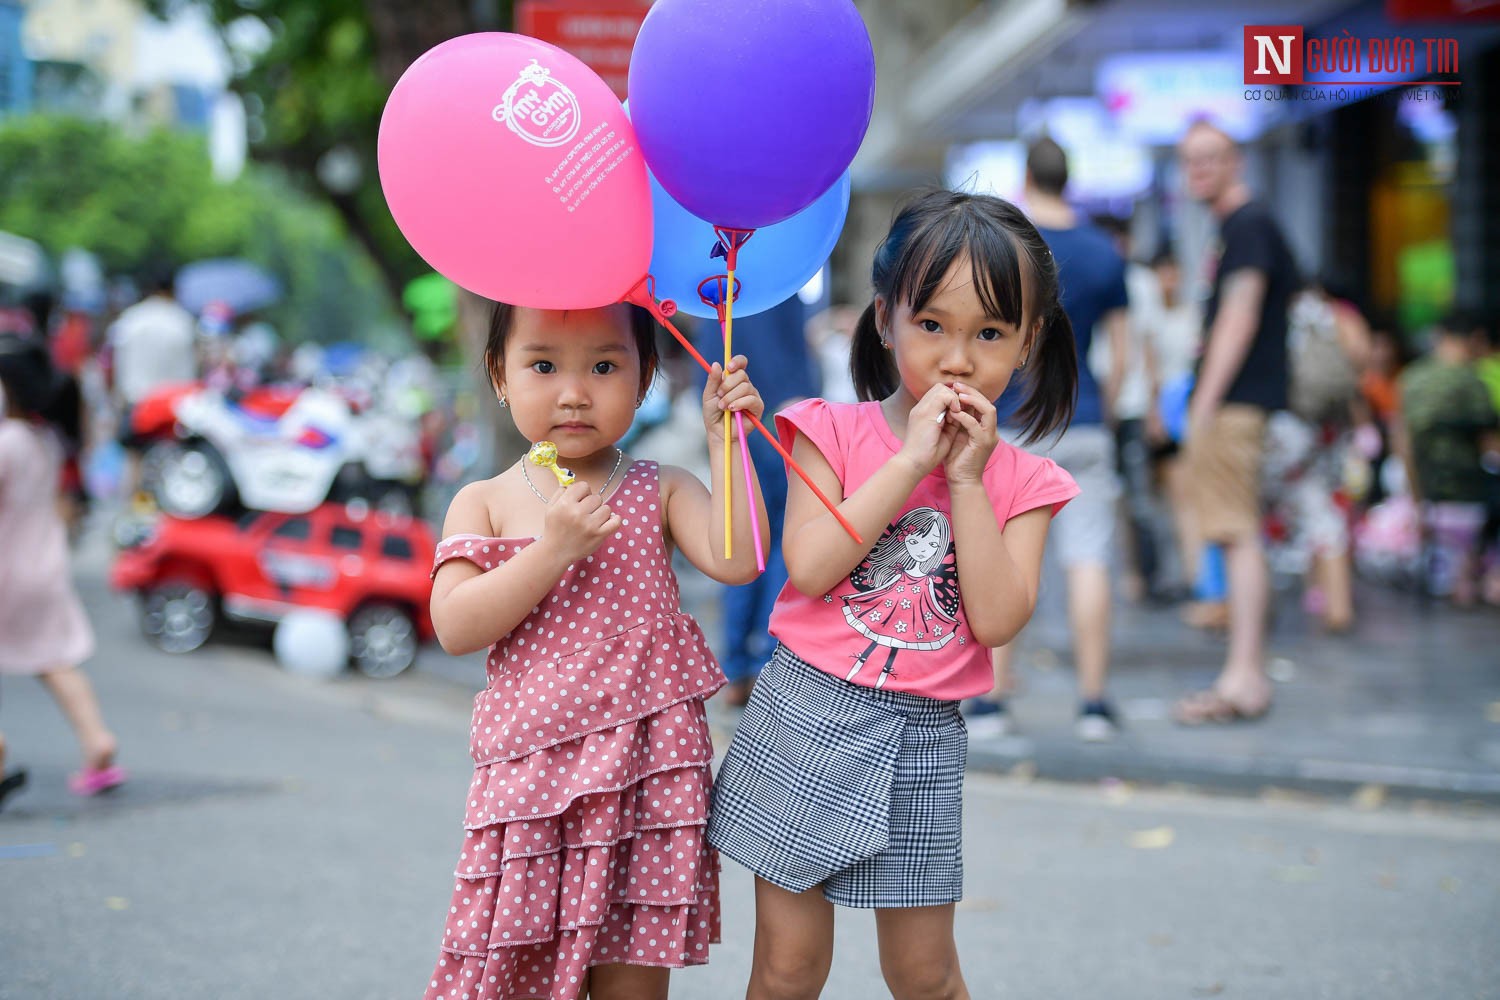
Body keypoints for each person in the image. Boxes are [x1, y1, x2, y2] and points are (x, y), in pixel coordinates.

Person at [708, 190, 1079, 1000]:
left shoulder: (1029, 483)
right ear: (885, 320)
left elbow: (998, 618)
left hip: (922, 743)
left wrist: (968, 482)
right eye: (933, 326)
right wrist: (908, 465)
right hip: (808, 714)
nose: (957, 358)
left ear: (1029, 341)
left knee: (926, 976)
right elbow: (808, 566)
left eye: (989, 333)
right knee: (786, 970)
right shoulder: (827, 431)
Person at [424, 301, 769, 1000]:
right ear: (499, 374)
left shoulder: (660, 488)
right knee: (513, 975)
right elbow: (455, 626)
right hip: (533, 792)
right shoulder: (484, 500)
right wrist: (550, 551)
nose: (574, 391)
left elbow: (738, 559)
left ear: (644, 382)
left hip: (648, 783)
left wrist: (727, 441)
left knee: (632, 985)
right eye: (543, 365)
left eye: (606, 366)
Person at [973, 138, 1129, 743]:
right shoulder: (1102, 252)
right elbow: (1119, 355)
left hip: (1012, 422)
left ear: (1027, 177)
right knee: (1089, 559)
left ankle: (992, 704)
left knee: (1005, 560)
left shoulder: (1012, 250)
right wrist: (1105, 414)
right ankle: (1093, 703)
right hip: (1082, 418)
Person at [1171, 120, 1298, 726]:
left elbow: (1239, 317)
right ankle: (1244, 671)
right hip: (1242, 402)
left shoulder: (1247, 225)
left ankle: (1245, 676)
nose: (1199, 171)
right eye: (1189, 161)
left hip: (1236, 404)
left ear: (1236, 161)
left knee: (1236, 534)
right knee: (1235, 533)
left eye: (1210, 159)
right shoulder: (1239, 226)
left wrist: (1204, 402)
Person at [0, 333, 125, 810]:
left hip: (8, 568)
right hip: (45, 565)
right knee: (55, 660)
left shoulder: (8, 442)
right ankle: (96, 738)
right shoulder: (47, 440)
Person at [1395, 312, 1499, 606]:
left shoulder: (1410, 377)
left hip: (1425, 488)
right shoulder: (1470, 380)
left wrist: (1414, 491)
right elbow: (1489, 441)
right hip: (1467, 490)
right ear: (1474, 340)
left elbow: (1400, 436)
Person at [105, 268, 196, 496]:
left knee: (134, 463)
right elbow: (193, 369)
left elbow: (113, 365)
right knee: (169, 467)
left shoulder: (130, 320)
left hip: (135, 403)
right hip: (171, 408)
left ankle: (131, 517)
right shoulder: (183, 321)